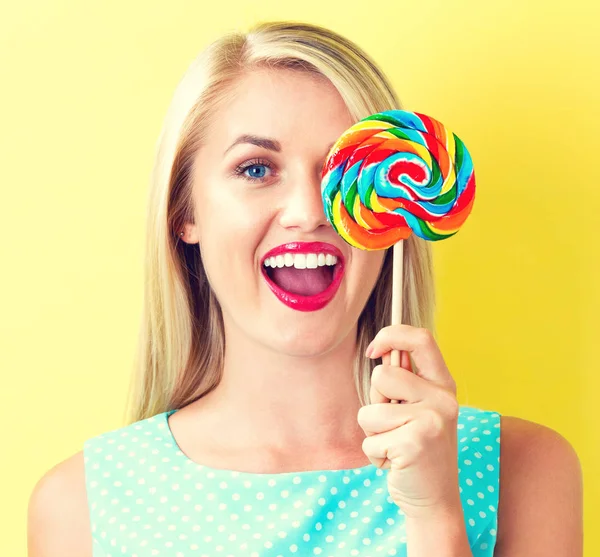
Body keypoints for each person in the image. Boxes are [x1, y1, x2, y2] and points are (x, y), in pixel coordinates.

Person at [27, 20, 583, 557]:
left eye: (338, 168)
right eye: (255, 169)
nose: (308, 212)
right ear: (185, 213)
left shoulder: (524, 470)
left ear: (397, 202)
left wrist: (435, 513)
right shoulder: (80, 506)